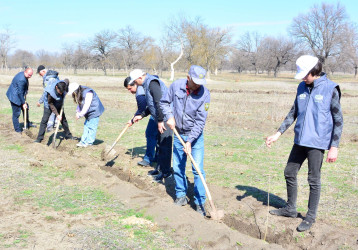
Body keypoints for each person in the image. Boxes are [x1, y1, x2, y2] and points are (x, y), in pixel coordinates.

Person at [265, 55, 343, 232]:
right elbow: (293, 112)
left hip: (317, 142)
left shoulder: (330, 89)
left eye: (305, 74)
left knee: (313, 180)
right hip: (300, 140)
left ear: (314, 71)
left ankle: (310, 217)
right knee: (289, 172)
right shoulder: (301, 86)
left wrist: (334, 146)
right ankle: (290, 209)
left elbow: (338, 120)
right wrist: (277, 134)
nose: (302, 78)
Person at [161, 65, 211, 216]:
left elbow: (200, 121)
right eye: (195, 82)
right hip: (178, 133)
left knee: (198, 170)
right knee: (177, 166)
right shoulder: (176, 86)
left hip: (195, 136)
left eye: (200, 82)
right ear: (188, 78)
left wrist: (189, 141)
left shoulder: (205, 94)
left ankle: (200, 202)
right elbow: (164, 102)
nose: (198, 85)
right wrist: (169, 116)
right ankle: (181, 195)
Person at [129, 69, 173, 182]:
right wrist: (142, 115)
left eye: (135, 81)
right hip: (160, 117)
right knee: (159, 144)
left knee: (164, 145)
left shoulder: (152, 83)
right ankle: (159, 169)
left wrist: (160, 121)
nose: (135, 84)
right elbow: (151, 105)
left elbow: (159, 102)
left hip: (166, 118)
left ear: (139, 78)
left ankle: (166, 173)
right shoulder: (146, 84)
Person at [124, 76, 158, 167]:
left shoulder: (140, 94)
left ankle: (148, 159)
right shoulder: (148, 83)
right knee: (157, 136)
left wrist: (132, 121)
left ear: (135, 83)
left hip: (159, 113)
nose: (130, 91)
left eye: (130, 88)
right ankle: (157, 158)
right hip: (158, 111)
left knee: (150, 133)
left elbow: (141, 110)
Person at [34, 79, 74, 143]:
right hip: (49, 105)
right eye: (59, 92)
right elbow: (51, 104)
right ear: (56, 87)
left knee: (63, 120)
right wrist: (57, 114)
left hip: (59, 104)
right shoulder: (50, 92)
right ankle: (39, 138)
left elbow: (67, 80)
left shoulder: (63, 85)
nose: (61, 93)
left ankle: (68, 135)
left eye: (62, 92)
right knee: (44, 120)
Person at [67, 82, 105, 147]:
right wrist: (77, 112)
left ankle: (89, 143)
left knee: (92, 127)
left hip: (94, 111)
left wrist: (80, 114)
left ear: (76, 90)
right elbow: (80, 103)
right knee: (86, 125)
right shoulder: (80, 93)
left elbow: (86, 105)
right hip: (88, 112)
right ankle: (83, 141)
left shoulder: (88, 93)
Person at [6, 67, 35, 133]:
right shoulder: (21, 79)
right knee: (16, 113)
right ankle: (17, 130)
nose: (30, 76)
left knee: (26, 109)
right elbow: (20, 93)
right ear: (25, 72)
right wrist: (23, 103)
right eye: (29, 75)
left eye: (31, 75)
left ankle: (27, 123)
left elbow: (22, 90)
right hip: (14, 97)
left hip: (17, 94)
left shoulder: (23, 75)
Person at [36, 65, 59, 132]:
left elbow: (46, 91)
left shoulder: (47, 78)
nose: (40, 75)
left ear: (43, 71)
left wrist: (40, 101)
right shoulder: (55, 76)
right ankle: (55, 125)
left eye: (40, 74)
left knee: (50, 112)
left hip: (50, 99)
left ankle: (49, 128)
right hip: (57, 98)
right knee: (55, 111)